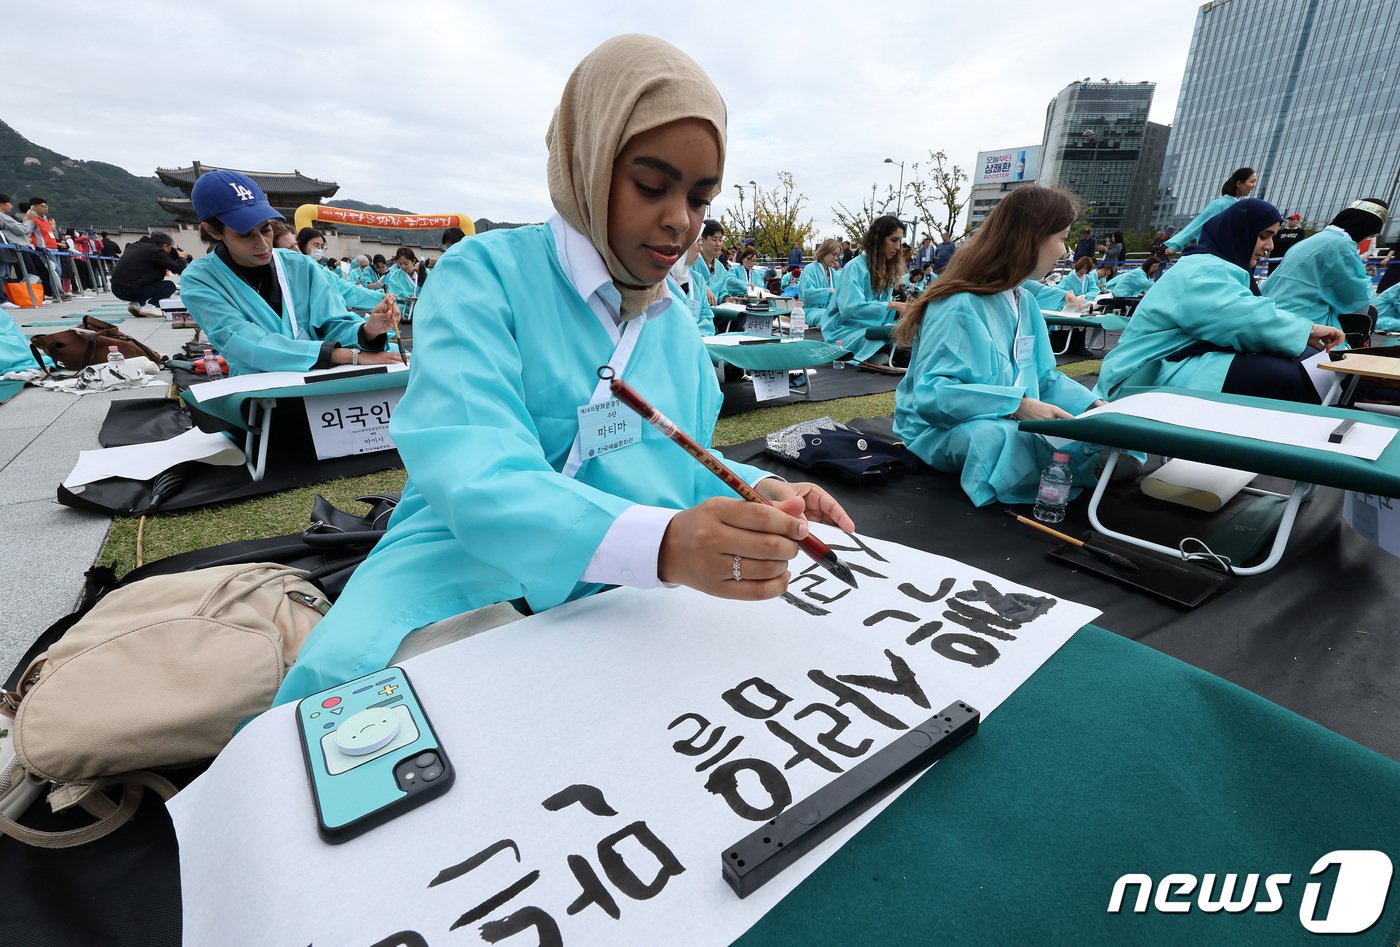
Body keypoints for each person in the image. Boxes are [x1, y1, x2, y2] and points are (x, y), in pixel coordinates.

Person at [274, 33, 853, 704]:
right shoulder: (482, 279)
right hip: (462, 563)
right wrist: (664, 542)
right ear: (589, 159)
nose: (677, 221)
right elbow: (475, 472)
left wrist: (761, 488)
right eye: (650, 185)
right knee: (338, 712)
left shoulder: (673, 322)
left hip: (624, 586)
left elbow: (683, 466)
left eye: (699, 199)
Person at [891, 185, 1113, 507]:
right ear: (1031, 238)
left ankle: (1091, 459)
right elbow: (933, 396)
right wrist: (1016, 405)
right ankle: (1087, 466)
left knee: (1093, 429)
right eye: (1062, 237)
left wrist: (1094, 407)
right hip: (941, 428)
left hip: (1011, 417)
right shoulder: (958, 304)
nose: (1065, 252)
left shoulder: (1025, 302)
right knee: (995, 439)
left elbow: (1045, 379)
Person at [1095, 199, 1344, 404]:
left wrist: (1302, 334)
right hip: (1146, 370)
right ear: (1240, 232)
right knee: (1288, 376)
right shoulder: (1203, 269)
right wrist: (1306, 329)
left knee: (1305, 363)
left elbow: (1244, 314)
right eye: (1264, 236)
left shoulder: (1217, 267)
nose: (1269, 246)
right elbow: (1239, 319)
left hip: (1174, 360)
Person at [181, 170, 402, 376]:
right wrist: (347, 355)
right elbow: (245, 344)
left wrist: (368, 331)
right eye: (245, 234)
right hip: (262, 392)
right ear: (213, 231)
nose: (262, 244)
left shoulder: (299, 265)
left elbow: (332, 321)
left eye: (265, 229)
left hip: (326, 384)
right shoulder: (200, 281)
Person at [1263, 198, 1386, 342]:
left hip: (1273, 318)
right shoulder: (1342, 246)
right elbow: (1358, 299)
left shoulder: (1310, 241)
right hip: (1304, 327)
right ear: (1367, 228)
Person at [822, 215, 907, 373]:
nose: (898, 247)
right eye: (894, 240)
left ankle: (887, 353)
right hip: (845, 331)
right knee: (879, 339)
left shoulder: (885, 270)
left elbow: (883, 318)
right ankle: (881, 355)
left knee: (905, 333)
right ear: (878, 239)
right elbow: (850, 308)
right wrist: (892, 305)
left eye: (900, 241)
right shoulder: (854, 267)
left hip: (871, 328)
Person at [1166, 167, 1256, 253]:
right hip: (1216, 253)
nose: (1254, 186)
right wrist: (1175, 245)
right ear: (1239, 183)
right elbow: (1197, 225)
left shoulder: (1239, 206)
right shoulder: (1220, 204)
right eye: (1252, 182)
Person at [296, 226, 387, 311]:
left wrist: (380, 297)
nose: (319, 250)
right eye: (316, 245)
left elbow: (347, 289)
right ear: (303, 246)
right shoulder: (296, 271)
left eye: (322, 247)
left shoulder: (323, 272)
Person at [110, 231, 190, 316]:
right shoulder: (156, 251)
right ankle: (150, 307)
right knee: (169, 286)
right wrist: (182, 258)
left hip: (116, 289)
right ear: (165, 246)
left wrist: (178, 256)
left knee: (146, 280)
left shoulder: (136, 246)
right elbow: (180, 269)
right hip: (130, 290)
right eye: (170, 248)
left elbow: (167, 258)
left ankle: (136, 304)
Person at [670, 238, 715, 335]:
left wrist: (698, 338)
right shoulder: (659, 280)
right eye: (698, 242)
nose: (700, 249)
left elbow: (706, 316)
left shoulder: (697, 280)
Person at [798, 237, 841, 329]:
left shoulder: (834, 273)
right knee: (828, 316)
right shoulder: (810, 269)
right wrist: (829, 292)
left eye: (837, 255)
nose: (836, 258)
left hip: (829, 310)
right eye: (834, 254)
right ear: (824, 252)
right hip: (810, 310)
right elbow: (807, 294)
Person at [693, 219, 727, 304]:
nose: (718, 244)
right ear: (702, 239)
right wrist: (704, 288)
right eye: (714, 239)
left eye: (720, 239)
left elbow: (723, 291)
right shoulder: (691, 262)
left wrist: (726, 299)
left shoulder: (720, 268)